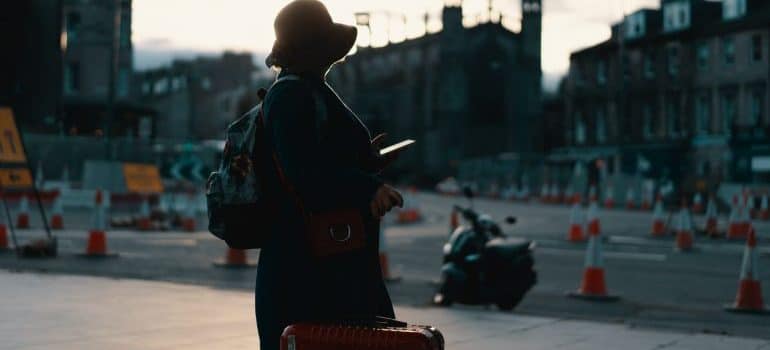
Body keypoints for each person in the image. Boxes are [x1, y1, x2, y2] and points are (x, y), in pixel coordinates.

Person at [256, 1, 404, 349]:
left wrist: (365, 159)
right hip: (310, 266)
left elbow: (321, 158)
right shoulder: (292, 95)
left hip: (327, 256)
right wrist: (368, 186)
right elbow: (305, 174)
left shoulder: (306, 90)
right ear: (311, 48)